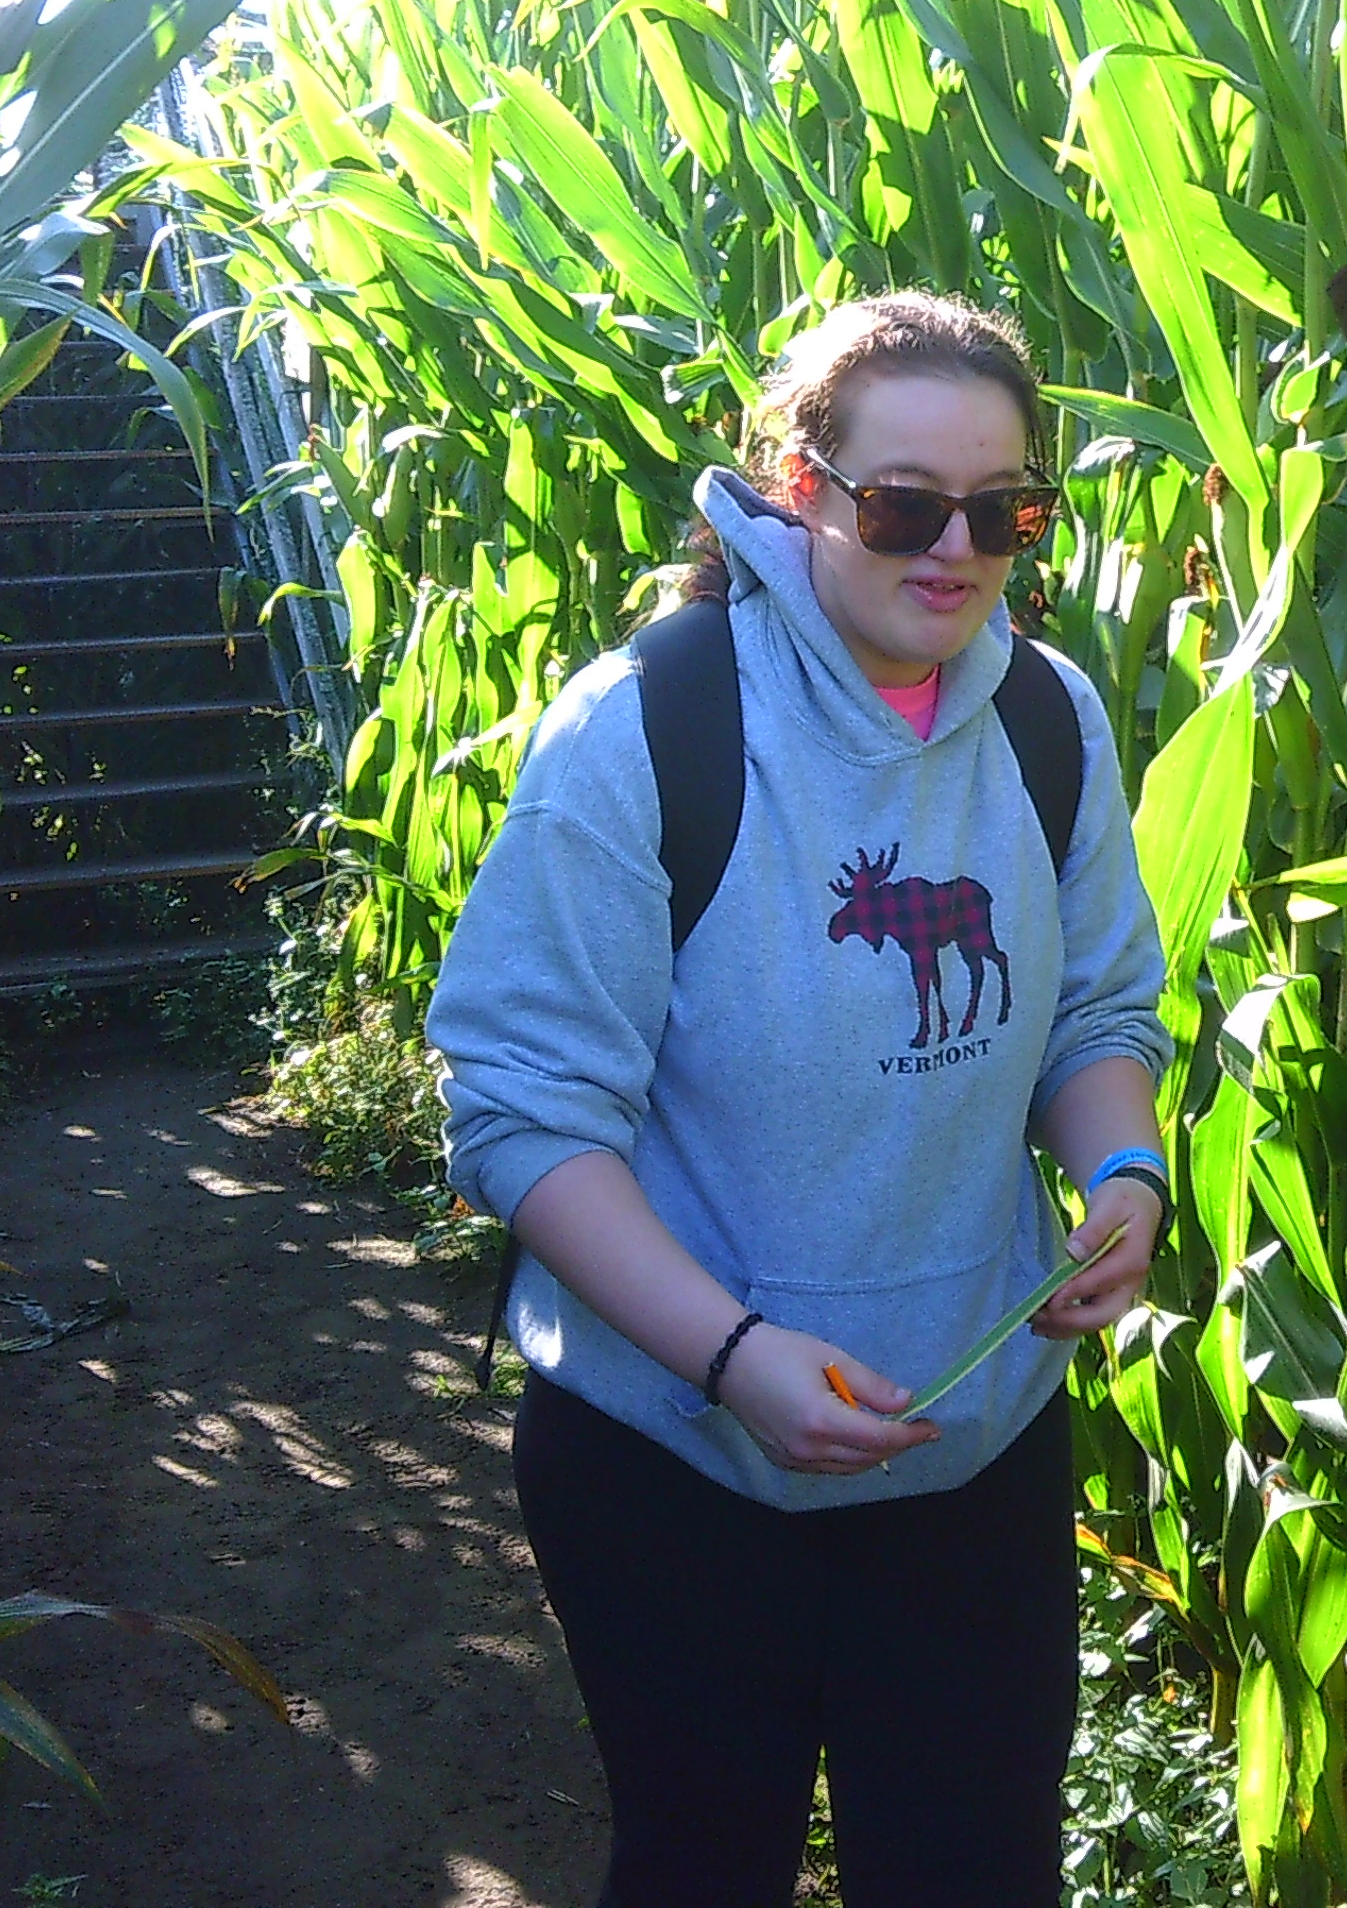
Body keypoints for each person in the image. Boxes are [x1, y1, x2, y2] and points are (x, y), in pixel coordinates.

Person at [428, 290, 1171, 1908]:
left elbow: (1096, 1011)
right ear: (797, 483)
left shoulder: (1048, 719)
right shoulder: (650, 726)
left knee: (977, 1872)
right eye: (905, 503)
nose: (956, 548)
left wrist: (1123, 1169)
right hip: (675, 1458)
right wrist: (734, 1355)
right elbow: (524, 1111)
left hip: (968, 1441)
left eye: (1006, 509)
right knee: (704, 1865)